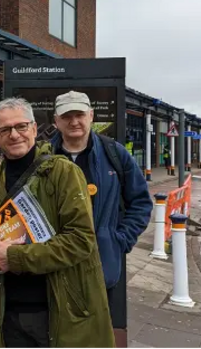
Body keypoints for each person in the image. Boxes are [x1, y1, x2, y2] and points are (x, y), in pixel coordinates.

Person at [0, 98, 115, 349]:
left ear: (35, 129)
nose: (14, 135)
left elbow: (80, 240)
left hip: (58, 308)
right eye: (5, 130)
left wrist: (14, 257)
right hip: (5, 310)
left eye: (21, 126)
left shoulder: (64, 173)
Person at [50, 91, 152, 318]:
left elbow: (141, 203)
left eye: (80, 114)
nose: (74, 121)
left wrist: (119, 240)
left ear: (91, 116)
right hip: (53, 265)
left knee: (96, 333)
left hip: (100, 264)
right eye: (67, 116)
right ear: (56, 121)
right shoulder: (44, 156)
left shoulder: (115, 153)